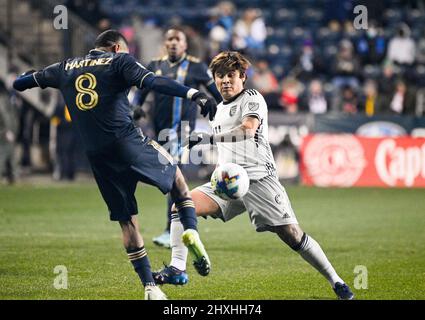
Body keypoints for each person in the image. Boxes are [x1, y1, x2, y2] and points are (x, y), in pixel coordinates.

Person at [12, 29, 216, 300]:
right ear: (118, 48)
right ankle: (190, 235)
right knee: (178, 182)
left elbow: (19, 83)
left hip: (97, 156)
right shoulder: (120, 62)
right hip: (128, 142)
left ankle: (150, 288)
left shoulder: (64, 67)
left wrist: (35, 75)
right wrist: (193, 93)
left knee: (127, 222)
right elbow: (153, 82)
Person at [153, 51, 354, 300]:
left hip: (259, 180)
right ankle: (178, 268)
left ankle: (337, 282)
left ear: (242, 77)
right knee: (180, 206)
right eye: (219, 76)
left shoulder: (252, 98)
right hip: (225, 182)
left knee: (292, 234)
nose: (225, 80)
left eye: (230, 75)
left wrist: (209, 138)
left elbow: (248, 130)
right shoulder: (217, 109)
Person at [132, 27, 222, 249]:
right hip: (159, 130)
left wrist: (226, 108)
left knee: (173, 176)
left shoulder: (197, 66)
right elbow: (141, 92)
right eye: (169, 39)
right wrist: (136, 107)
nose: (173, 42)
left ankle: (171, 229)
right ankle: (186, 223)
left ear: (184, 44)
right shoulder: (155, 65)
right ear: (165, 43)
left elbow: (216, 94)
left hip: (182, 130)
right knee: (171, 179)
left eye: (177, 39)